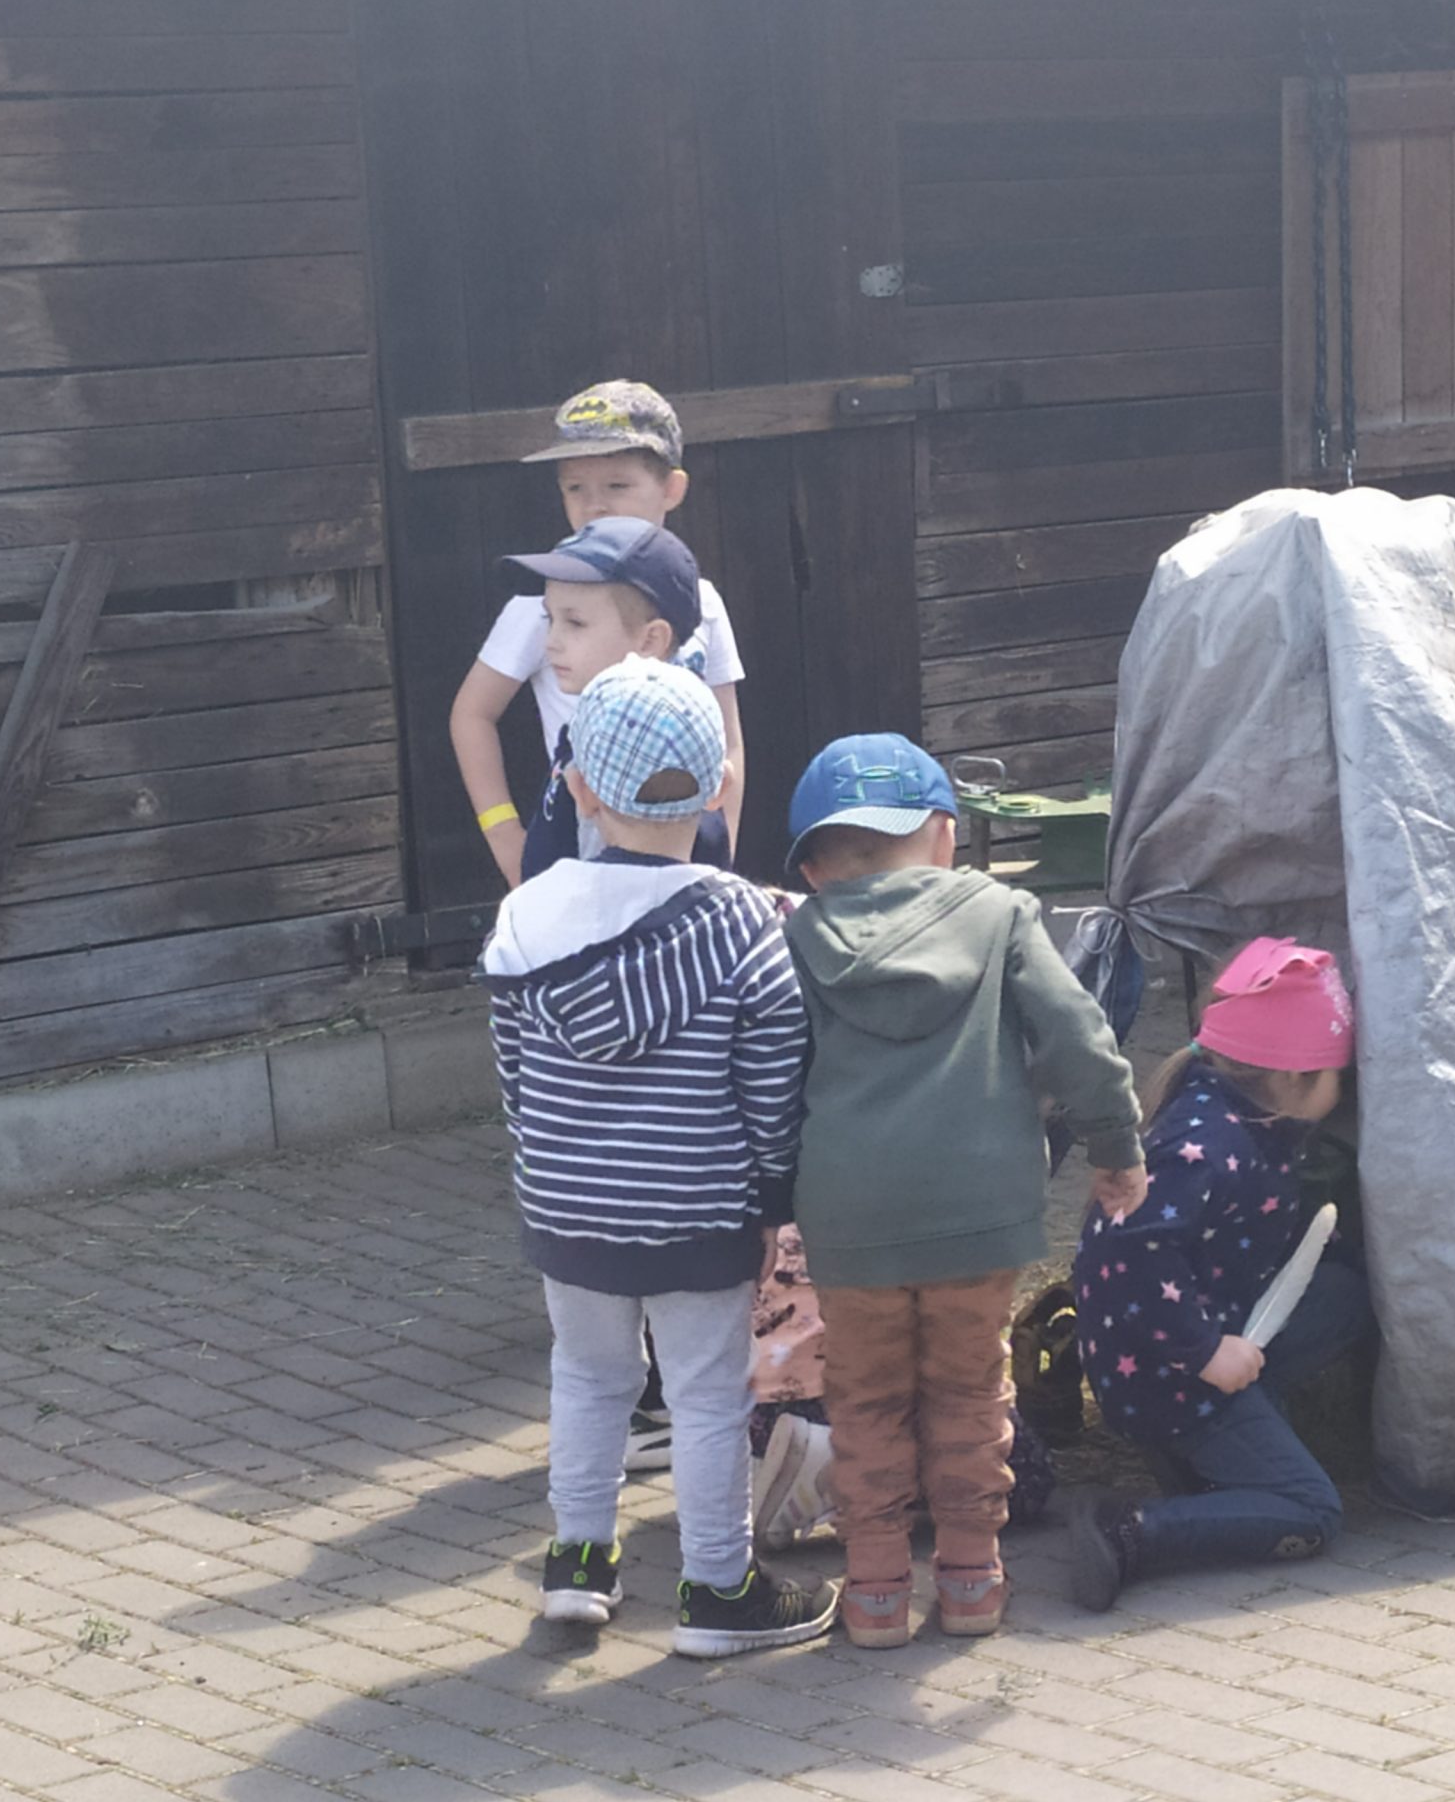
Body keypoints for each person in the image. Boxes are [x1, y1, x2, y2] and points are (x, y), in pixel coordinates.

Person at [480, 657, 836, 1656]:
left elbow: (513, 1075)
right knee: (706, 1398)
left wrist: (543, 1172)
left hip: (566, 1208)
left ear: (579, 788)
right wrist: (773, 1194)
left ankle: (577, 1563)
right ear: (718, 785)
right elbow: (771, 1075)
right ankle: (717, 1591)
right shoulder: (742, 920)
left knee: (588, 1377)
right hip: (697, 1206)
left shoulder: (523, 918)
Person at [782, 734, 1149, 1646]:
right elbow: (1078, 1038)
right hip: (981, 1213)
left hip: (851, 1219)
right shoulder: (1001, 914)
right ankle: (972, 1578)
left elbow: (774, 1078)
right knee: (970, 1391)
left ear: (815, 866)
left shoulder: (798, 937)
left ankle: (875, 1591)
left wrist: (771, 1194)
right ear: (945, 835)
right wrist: (1115, 1147)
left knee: (865, 1402)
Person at [1067, 938, 1371, 1612]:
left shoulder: (1240, 1118)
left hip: (1207, 1330)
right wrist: (1204, 1353)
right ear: (1293, 1077)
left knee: (1345, 1296)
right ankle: (1129, 1529)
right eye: (1336, 1075)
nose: (1342, 1091)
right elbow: (1130, 1257)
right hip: (1170, 1376)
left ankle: (1224, 1460)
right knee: (1311, 1508)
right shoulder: (1208, 1149)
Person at [449, 380, 747, 885]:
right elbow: (472, 713)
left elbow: (728, 739)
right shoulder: (542, 604)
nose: (594, 506)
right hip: (581, 857)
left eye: (617, 486)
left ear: (672, 489)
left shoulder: (705, 602)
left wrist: (724, 848)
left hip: (687, 855)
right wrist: (505, 836)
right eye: (575, 488)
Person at [486, 516, 719, 887]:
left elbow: (621, 896)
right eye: (550, 619)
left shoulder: (637, 756)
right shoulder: (587, 731)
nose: (551, 642)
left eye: (575, 623)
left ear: (650, 641)